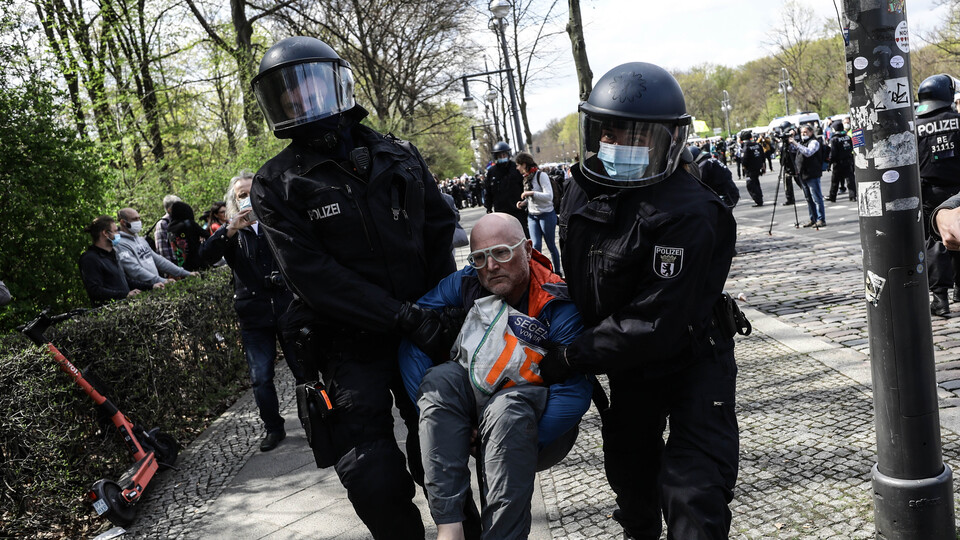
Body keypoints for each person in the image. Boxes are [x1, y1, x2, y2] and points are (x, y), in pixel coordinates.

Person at [248, 36, 456, 539]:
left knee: (443, 456)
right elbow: (314, 277)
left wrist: (445, 311)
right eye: (286, 94)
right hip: (344, 346)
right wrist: (401, 315)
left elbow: (437, 233)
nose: (299, 100)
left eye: (307, 85)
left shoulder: (399, 156)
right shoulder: (276, 184)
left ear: (334, 81)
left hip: (422, 334)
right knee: (371, 477)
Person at [555, 62, 739, 540]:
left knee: (692, 491)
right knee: (631, 477)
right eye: (611, 133)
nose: (622, 146)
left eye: (638, 137)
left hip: (692, 357)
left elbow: (655, 321)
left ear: (667, 143)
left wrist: (572, 355)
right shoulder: (578, 189)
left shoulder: (692, 212)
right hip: (626, 364)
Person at [399, 213, 592, 540]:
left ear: (528, 249)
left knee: (505, 413)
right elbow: (412, 338)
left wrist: (496, 438)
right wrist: (445, 425)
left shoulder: (556, 302)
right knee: (440, 381)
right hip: (475, 401)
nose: (490, 265)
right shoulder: (463, 283)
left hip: (536, 424)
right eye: (479, 257)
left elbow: (575, 394)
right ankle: (450, 528)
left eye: (502, 252)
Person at [199, 173, 306, 451]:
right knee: (260, 377)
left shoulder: (276, 220)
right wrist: (230, 229)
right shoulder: (232, 232)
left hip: (287, 308)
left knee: (303, 368)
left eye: (250, 192)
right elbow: (205, 257)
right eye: (240, 195)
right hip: (254, 314)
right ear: (233, 201)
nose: (246, 198)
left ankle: (313, 419)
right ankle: (273, 427)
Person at [916, 74, 960, 316]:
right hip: (957, 191)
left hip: (929, 192)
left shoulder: (914, 126)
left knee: (934, 242)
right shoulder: (957, 120)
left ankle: (940, 298)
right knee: (958, 235)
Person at [79, 216, 160, 306]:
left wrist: (152, 286)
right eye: (116, 231)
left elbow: (125, 280)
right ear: (105, 233)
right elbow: (95, 291)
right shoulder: (90, 259)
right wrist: (125, 295)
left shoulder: (113, 253)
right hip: (109, 313)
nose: (119, 233)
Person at [115, 207, 195, 286]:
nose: (138, 222)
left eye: (139, 218)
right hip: (143, 290)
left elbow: (159, 260)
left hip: (157, 286)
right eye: (135, 219)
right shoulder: (120, 244)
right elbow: (134, 270)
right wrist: (161, 281)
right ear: (123, 222)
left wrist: (185, 273)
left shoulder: (141, 240)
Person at [515, 151, 563, 276]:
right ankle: (539, 274)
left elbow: (548, 196)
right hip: (532, 216)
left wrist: (530, 193)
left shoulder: (540, 176)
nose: (517, 168)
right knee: (535, 247)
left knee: (551, 245)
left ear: (524, 164)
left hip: (546, 214)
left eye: (518, 165)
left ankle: (557, 272)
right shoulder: (526, 178)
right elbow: (531, 198)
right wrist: (523, 203)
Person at [484, 141, 528, 237]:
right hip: (501, 211)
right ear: (496, 157)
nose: (502, 157)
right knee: (505, 236)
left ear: (508, 154)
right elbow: (488, 191)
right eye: (500, 155)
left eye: (504, 154)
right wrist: (488, 207)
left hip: (517, 209)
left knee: (523, 234)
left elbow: (524, 185)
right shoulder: (491, 172)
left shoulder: (516, 168)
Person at [790, 124, 826, 228]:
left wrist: (796, 144)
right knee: (808, 198)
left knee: (816, 198)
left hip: (812, 173)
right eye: (801, 132)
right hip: (803, 174)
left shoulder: (814, 142)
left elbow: (808, 152)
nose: (803, 134)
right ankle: (813, 218)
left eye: (805, 132)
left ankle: (821, 219)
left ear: (811, 132)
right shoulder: (802, 142)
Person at [166, 201, 211, 271]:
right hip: (196, 264)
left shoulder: (169, 227)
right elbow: (207, 235)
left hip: (180, 266)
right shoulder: (189, 223)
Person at [827, 121, 856, 202]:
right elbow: (851, 148)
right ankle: (853, 196)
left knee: (835, 181)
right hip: (848, 160)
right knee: (850, 179)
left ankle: (832, 197)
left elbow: (833, 153)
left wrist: (829, 164)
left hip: (838, 163)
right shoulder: (847, 137)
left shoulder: (834, 139)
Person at [153, 194, 181, 263]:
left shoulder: (179, 221)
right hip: (173, 264)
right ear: (169, 210)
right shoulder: (163, 223)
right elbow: (162, 249)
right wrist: (170, 271)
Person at [739, 130, 764, 206]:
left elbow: (744, 159)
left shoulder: (746, 146)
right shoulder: (757, 144)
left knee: (751, 185)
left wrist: (744, 167)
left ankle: (758, 200)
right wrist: (763, 165)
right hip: (758, 167)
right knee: (756, 183)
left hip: (750, 169)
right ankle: (760, 198)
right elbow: (762, 155)